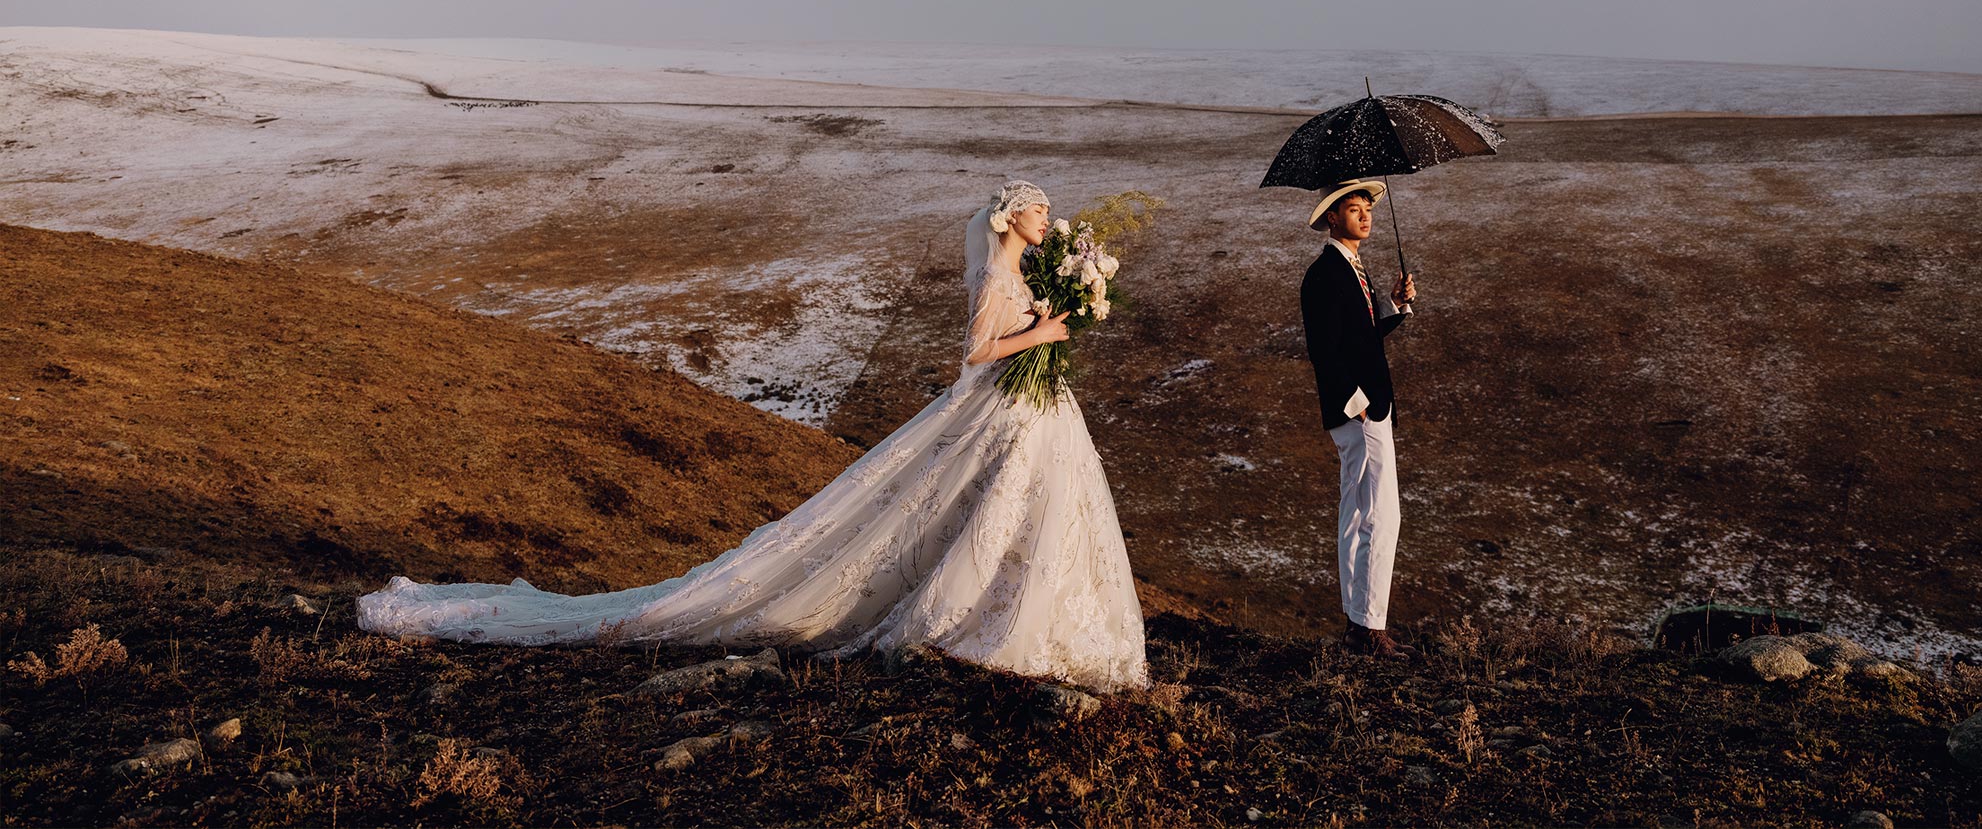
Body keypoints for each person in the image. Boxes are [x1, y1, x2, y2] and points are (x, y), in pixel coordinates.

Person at [356, 180, 1150, 693]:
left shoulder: (1023, 270)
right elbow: (976, 352)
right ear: (1013, 217)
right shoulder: (997, 274)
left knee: (1022, 508)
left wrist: (1054, 318)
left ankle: (1024, 608)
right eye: (1039, 210)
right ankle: (986, 614)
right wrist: (1045, 333)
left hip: (1026, 410)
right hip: (1002, 404)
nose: (1047, 219)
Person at [1300, 179, 1417, 659]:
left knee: (1357, 514)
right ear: (1332, 217)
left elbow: (1359, 336)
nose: (1365, 216)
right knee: (1380, 515)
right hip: (1360, 411)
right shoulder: (1324, 273)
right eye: (1354, 209)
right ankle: (1369, 628)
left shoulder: (1352, 267)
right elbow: (1323, 348)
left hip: (1366, 408)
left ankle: (1358, 625)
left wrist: (1395, 304)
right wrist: (1357, 402)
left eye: (1367, 208)